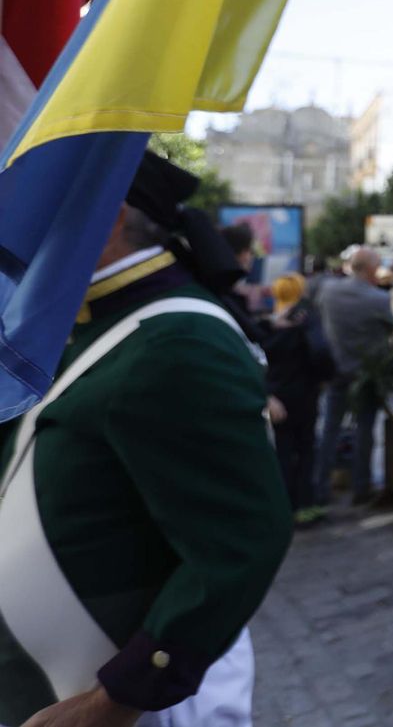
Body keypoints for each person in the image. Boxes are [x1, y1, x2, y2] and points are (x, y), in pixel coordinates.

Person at [0, 152, 290, 726]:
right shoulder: (91, 318)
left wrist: (117, 699)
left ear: (108, 217)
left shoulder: (176, 338)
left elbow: (242, 542)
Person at [315, 247, 393, 507]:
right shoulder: (379, 299)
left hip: (335, 371)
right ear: (372, 269)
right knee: (364, 431)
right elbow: (392, 329)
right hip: (366, 375)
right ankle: (362, 487)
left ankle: (321, 487)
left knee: (329, 429)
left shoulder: (328, 291)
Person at [262, 273, 336, 527]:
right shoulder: (303, 321)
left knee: (283, 450)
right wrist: (326, 375)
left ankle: (287, 505)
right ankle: (305, 504)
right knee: (305, 448)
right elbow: (320, 351)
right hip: (304, 393)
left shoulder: (266, 324)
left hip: (277, 397)